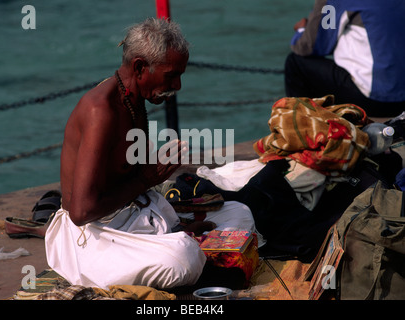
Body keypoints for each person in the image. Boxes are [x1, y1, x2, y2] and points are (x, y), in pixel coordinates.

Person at [44, 18, 255, 290]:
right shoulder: (101, 111)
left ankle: (173, 240)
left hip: (136, 216)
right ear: (140, 67)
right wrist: (147, 179)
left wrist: (174, 222)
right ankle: (182, 251)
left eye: (180, 75)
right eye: (171, 75)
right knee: (182, 257)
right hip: (92, 236)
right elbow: (81, 212)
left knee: (239, 214)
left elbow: (128, 177)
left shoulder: (134, 100)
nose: (177, 85)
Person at [284, 0, 405, 118]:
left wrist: (301, 30)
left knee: (295, 63)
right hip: (402, 100)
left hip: (373, 99)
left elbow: (310, 46)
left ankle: (303, 129)